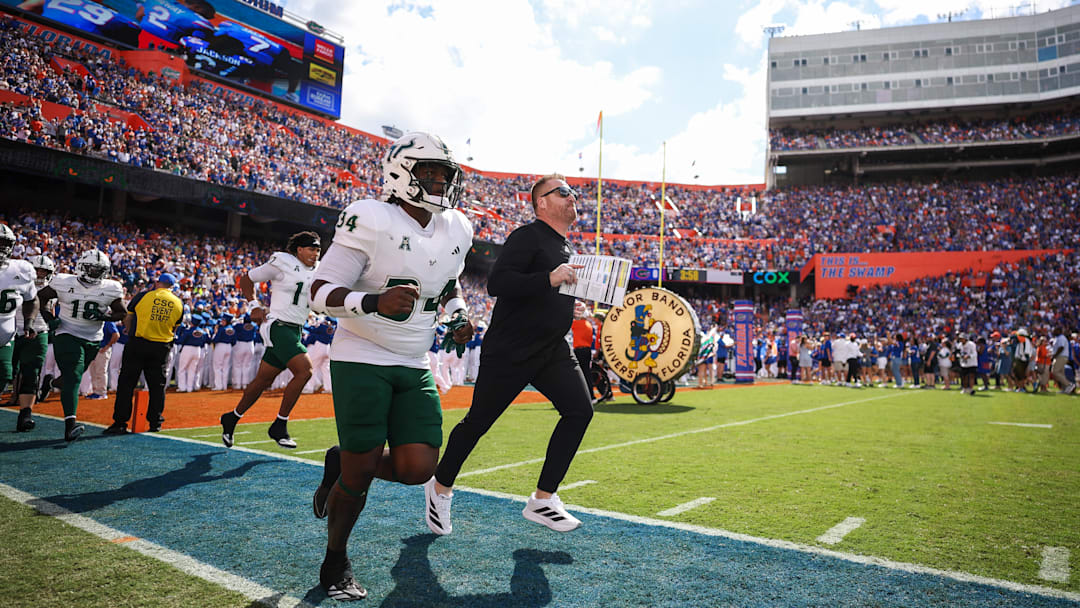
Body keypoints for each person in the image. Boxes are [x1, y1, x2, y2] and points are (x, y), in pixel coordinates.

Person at [307, 131, 474, 601]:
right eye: (430, 172)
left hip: (415, 358)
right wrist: (373, 301)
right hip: (362, 353)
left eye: (445, 174)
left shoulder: (457, 227)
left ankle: (340, 460)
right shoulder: (371, 217)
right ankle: (335, 560)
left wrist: (458, 315)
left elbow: (448, 284)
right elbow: (319, 292)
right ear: (402, 173)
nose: (441, 182)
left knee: (418, 467)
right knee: (359, 474)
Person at [425, 173, 595, 539]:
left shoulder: (565, 247)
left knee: (580, 411)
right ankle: (439, 487)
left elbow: (544, 291)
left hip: (551, 348)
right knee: (477, 423)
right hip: (511, 350)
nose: (572, 197)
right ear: (541, 203)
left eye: (572, 192)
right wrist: (550, 280)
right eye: (563, 192)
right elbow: (497, 283)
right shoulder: (528, 236)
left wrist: (566, 304)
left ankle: (543, 498)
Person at [219, 231, 321, 449]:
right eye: (311, 249)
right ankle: (280, 425)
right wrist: (254, 305)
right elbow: (246, 279)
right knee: (305, 371)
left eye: (318, 250)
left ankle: (232, 417)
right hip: (278, 326)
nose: (315, 253)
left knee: (263, 380)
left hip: (295, 329)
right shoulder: (283, 262)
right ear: (299, 250)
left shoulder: (319, 270)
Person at [36, 249, 126, 441]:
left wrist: (104, 316)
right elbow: (40, 297)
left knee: (71, 378)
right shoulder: (63, 281)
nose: (94, 273)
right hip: (67, 333)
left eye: (99, 269)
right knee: (74, 376)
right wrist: (48, 318)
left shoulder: (111, 287)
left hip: (93, 339)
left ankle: (52, 382)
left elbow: (121, 312)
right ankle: (70, 425)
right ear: (81, 266)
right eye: (91, 268)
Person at [104, 273, 183, 434]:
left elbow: (128, 316)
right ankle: (155, 422)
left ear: (158, 283)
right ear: (172, 287)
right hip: (161, 346)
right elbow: (175, 326)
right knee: (157, 387)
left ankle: (120, 422)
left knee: (127, 383)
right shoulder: (178, 303)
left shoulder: (143, 296)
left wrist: (129, 330)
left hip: (138, 343)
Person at [0, 225, 40, 432]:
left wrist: (29, 322)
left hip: (4, 337)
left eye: (4, 244)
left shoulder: (20, 270)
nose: (1, 248)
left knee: (4, 374)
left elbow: (32, 299)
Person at [12, 253, 52, 431]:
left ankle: (25, 415)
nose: (40, 274)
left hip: (39, 332)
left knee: (32, 374)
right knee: (6, 372)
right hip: (12, 330)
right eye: (37, 270)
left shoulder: (53, 288)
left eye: (44, 271)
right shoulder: (16, 282)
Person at [1050, 327, 1075, 394]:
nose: (1053, 332)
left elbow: (1061, 347)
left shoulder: (1061, 338)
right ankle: (1065, 389)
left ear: (1059, 330)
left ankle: (1069, 384)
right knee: (1061, 373)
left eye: (1055, 330)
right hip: (1061, 356)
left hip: (1061, 356)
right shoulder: (1058, 338)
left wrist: (1054, 355)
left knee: (1055, 372)